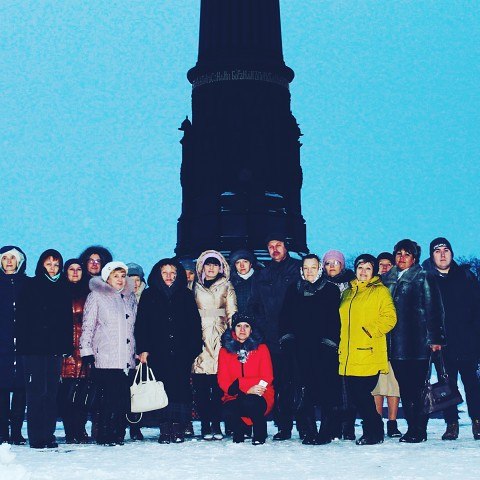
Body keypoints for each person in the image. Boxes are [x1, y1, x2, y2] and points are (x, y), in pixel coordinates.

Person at [382, 239, 445, 443]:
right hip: (394, 346)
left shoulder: (423, 277)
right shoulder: (387, 279)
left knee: (418, 389)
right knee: (405, 389)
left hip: (417, 344)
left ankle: (418, 429)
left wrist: (435, 339)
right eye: (399, 254)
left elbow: (434, 309)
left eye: (407, 254)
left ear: (414, 258)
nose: (402, 258)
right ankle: (413, 427)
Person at [135, 258, 203, 444]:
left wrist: (193, 348)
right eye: (165, 272)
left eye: (173, 273)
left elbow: (194, 324)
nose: (169, 276)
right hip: (158, 351)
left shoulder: (185, 295)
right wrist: (143, 349)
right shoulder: (149, 295)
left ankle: (178, 428)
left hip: (182, 351)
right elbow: (142, 324)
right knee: (161, 390)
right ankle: (165, 428)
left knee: (180, 389)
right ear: (158, 274)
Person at [279, 254, 341, 445]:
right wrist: (287, 339)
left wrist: (329, 343)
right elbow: (285, 317)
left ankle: (325, 432)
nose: (309, 271)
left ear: (320, 269)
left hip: (323, 348)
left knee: (326, 391)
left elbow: (334, 319)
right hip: (300, 348)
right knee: (304, 391)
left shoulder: (330, 289)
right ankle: (308, 430)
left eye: (313, 267)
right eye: (306, 268)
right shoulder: (294, 289)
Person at [422, 237, 480, 440]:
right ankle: (451, 424)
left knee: (473, 383)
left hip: (468, 342)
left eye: (446, 250)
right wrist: (431, 339)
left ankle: (477, 421)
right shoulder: (426, 279)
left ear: (452, 254)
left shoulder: (466, 276)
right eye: (437, 251)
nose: (442, 254)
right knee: (447, 385)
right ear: (432, 256)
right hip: (441, 344)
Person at [16, 249, 73, 449]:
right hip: (33, 350)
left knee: (51, 393)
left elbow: (66, 320)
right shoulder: (30, 285)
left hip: (54, 350)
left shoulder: (63, 287)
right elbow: (21, 318)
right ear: (42, 265)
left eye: (56, 264)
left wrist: (66, 346)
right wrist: (23, 346)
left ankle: (48, 435)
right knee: (36, 393)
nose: (52, 268)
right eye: (49, 264)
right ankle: (36, 437)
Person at [339, 254, 397, 445]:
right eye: (360, 268)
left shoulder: (380, 291)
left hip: (368, 351)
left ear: (374, 272)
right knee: (358, 396)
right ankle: (374, 430)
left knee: (362, 395)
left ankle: (373, 432)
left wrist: (370, 331)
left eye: (368, 268)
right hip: (348, 354)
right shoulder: (348, 292)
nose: (363, 272)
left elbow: (390, 317)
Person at [249, 233, 301, 440]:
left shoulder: (297, 269)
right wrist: (261, 327)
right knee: (277, 382)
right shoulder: (263, 273)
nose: (275, 249)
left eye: (278, 245)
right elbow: (254, 304)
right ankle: (283, 426)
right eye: (271, 246)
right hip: (270, 337)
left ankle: (304, 425)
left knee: (297, 382)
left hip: (294, 336)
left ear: (285, 247)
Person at [80, 262, 137, 446]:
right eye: (115, 276)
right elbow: (88, 325)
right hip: (105, 355)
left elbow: (134, 327)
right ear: (107, 278)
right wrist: (86, 350)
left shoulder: (130, 297)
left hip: (126, 357)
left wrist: (137, 351)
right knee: (107, 399)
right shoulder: (96, 296)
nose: (120, 280)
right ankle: (104, 434)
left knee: (123, 399)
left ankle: (119, 432)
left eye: (123, 276)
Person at [192, 250, 237, 440]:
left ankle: (217, 424)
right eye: (208, 264)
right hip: (198, 337)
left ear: (221, 267)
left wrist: (233, 337)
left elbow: (232, 312)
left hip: (220, 337)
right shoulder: (193, 286)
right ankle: (204, 424)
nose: (211, 268)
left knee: (218, 386)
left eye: (215, 264)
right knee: (201, 387)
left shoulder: (226, 286)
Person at [218, 313, 274, 445]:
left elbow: (267, 376)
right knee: (230, 408)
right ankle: (239, 432)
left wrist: (250, 387)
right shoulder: (224, 351)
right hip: (234, 394)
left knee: (252, 402)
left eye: (246, 326)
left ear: (251, 330)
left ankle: (260, 433)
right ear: (234, 329)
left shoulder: (262, 349)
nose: (242, 330)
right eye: (239, 326)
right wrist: (244, 388)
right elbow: (223, 380)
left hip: (260, 393)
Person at [322, 249, 356, 440]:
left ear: (342, 265)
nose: (332, 266)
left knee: (348, 386)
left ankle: (348, 426)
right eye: (328, 263)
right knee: (330, 384)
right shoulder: (320, 284)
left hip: (349, 340)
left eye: (336, 263)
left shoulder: (352, 285)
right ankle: (333, 425)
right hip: (327, 341)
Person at [57, 259, 91, 444]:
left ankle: (80, 429)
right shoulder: (59, 291)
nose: (75, 272)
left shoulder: (89, 293)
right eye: (71, 269)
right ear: (66, 271)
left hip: (85, 348)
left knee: (83, 394)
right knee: (65, 394)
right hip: (66, 349)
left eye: (79, 269)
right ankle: (70, 431)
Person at [371, 251, 401, 437]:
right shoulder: (371, 286)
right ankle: (377, 422)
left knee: (393, 386)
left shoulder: (398, 284)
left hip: (395, 343)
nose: (384, 268)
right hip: (375, 343)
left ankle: (392, 422)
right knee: (377, 387)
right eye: (380, 264)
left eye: (388, 264)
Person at [0, 246, 28, 445]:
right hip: (2, 345)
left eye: (13, 258)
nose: (9, 261)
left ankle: (17, 431)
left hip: (24, 345)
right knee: (1, 390)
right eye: (5, 258)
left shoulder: (28, 284)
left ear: (19, 261)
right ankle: (2, 432)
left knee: (21, 389)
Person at [229, 249, 260, 314]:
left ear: (251, 264)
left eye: (245, 261)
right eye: (238, 262)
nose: (242, 265)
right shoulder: (230, 282)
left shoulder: (262, 279)